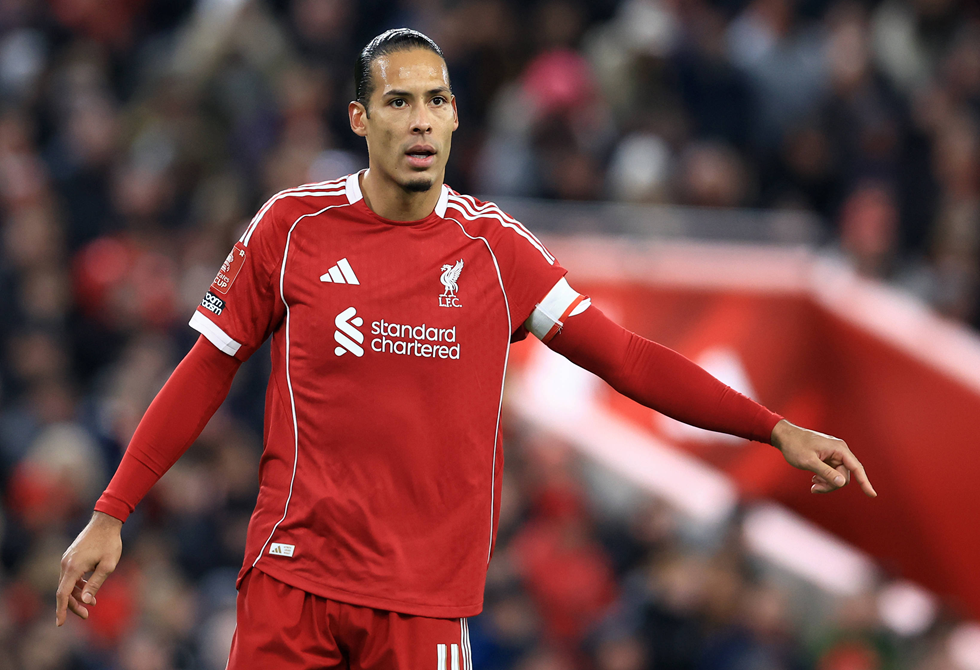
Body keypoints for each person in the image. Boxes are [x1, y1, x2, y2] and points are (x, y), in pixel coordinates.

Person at [56, 29, 876, 670]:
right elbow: (207, 368)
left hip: (425, 601)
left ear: (454, 117)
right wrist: (111, 512)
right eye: (398, 102)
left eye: (436, 101)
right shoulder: (291, 227)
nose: (420, 120)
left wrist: (772, 428)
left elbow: (626, 358)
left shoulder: (495, 250)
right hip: (295, 579)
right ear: (360, 119)